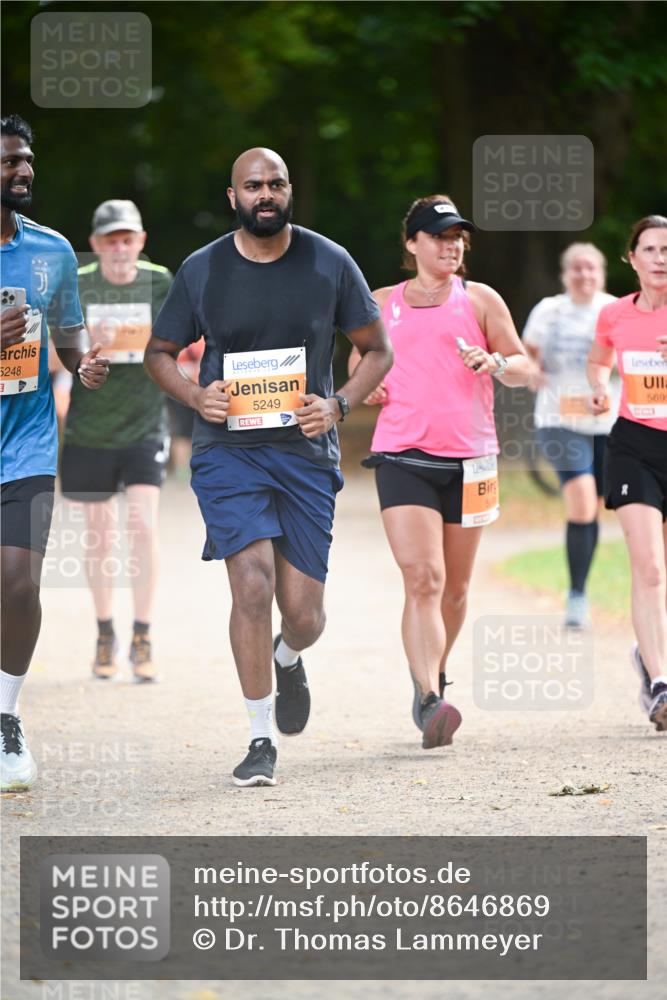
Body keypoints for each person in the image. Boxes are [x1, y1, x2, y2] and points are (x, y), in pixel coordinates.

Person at [145, 147, 392, 786]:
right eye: (253, 185)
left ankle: (289, 656)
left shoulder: (329, 261)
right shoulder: (202, 270)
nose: (265, 193)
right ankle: (259, 738)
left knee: (304, 613)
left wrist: (338, 405)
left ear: (289, 191)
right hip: (228, 452)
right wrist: (196, 394)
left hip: (305, 455)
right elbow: (159, 353)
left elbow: (377, 351)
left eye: (276, 183)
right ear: (233, 197)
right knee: (251, 585)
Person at [349, 195, 531, 750]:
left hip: (472, 458)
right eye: (438, 236)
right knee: (423, 579)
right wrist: (366, 384)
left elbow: (523, 367)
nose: (451, 245)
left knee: (454, 591)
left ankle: (433, 674)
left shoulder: (480, 301)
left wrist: (496, 362)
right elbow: (357, 365)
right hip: (403, 455)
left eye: (458, 237)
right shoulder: (380, 303)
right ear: (412, 244)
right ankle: (429, 698)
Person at [1, 114, 109, 792]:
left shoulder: (53, 252)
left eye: (27, 160)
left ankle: (5, 720)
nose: (24, 171)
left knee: (17, 583)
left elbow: (69, 333)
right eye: (10, 160)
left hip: (27, 444)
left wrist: (84, 362)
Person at [59, 200, 173, 683]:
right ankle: (106, 632)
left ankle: (142, 634)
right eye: (111, 239)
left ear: (141, 241)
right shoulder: (78, 284)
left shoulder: (161, 282)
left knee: (143, 528)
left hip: (145, 424)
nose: (120, 248)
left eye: (128, 238)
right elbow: (51, 354)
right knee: (101, 537)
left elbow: (180, 344)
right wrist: (82, 355)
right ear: (97, 243)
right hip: (89, 430)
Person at [587, 214, 667, 732]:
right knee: (650, 568)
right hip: (634, 444)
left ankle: (647, 654)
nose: (662, 258)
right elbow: (598, 361)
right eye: (652, 249)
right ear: (632, 258)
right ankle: (661, 685)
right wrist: (597, 385)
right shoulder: (615, 314)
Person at [523, 243, 617, 628]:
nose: (584, 275)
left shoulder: (616, 310)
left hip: (608, 422)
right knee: (581, 502)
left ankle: (594, 588)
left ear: (602, 272)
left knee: (599, 506)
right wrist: (531, 371)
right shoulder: (549, 310)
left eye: (591, 268)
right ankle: (577, 597)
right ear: (565, 275)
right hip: (558, 418)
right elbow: (525, 354)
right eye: (576, 269)